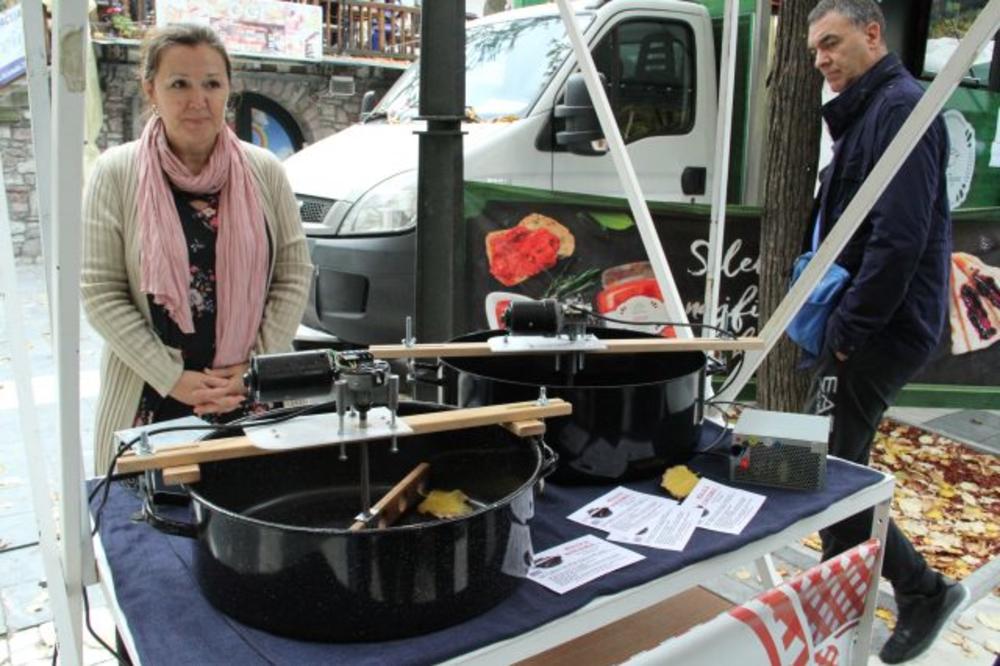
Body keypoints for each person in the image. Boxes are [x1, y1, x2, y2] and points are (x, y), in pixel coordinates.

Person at [803, 1, 966, 663]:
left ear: (873, 34)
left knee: (832, 469)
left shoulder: (898, 108)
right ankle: (839, 603)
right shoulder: (873, 108)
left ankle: (921, 591)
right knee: (830, 462)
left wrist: (849, 328)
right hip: (868, 320)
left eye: (831, 43)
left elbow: (898, 239)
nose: (821, 61)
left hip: (881, 326)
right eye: (815, 50)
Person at [82, 24, 313, 473]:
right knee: (154, 516)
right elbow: (100, 292)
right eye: (179, 84)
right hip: (153, 395)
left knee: (258, 508)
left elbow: (293, 274)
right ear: (150, 89)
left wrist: (255, 368)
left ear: (228, 89)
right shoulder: (116, 172)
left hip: (249, 394)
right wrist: (172, 378)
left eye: (211, 84)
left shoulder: (265, 170)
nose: (197, 100)